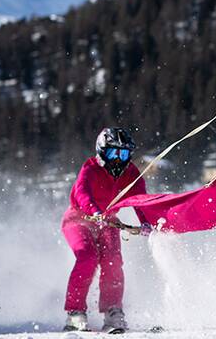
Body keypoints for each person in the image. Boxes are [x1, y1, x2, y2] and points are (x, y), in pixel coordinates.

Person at [62, 127, 149, 333]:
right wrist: (95, 212)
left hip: (108, 222)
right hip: (78, 220)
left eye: (124, 153)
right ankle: (75, 313)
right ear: (101, 152)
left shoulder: (131, 174)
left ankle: (113, 311)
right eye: (113, 153)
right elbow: (83, 193)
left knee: (113, 261)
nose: (118, 159)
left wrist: (146, 222)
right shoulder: (90, 169)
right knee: (87, 257)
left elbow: (141, 200)